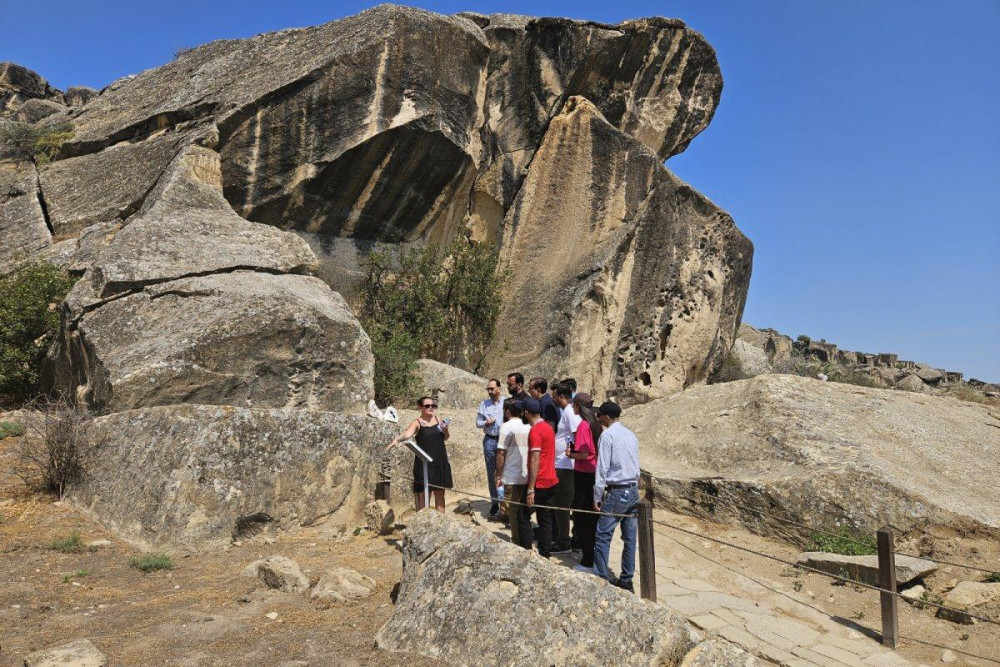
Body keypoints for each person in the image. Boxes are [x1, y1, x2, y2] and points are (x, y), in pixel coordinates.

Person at [592, 401, 640, 593]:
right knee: (630, 538)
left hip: (616, 490)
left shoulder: (607, 436)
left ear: (605, 417)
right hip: (632, 488)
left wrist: (597, 494)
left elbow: (602, 467)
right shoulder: (630, 434)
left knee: (603, 536)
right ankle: (626, 580)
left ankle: (601, 577)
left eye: (600, 415)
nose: (598, 418)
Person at [385, 396, 453, 512]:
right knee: (425, 494)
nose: (431, 408)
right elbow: (407, 434)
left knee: (440, 494)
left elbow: (445, 438)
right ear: (420, 407)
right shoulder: (417, 422)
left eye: (433, 406)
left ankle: (441, 523)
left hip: (439, 461)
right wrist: (396, 440)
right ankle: (423, 523)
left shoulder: (438, 419)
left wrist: (446, 430)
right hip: (424, 463)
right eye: (427, 406)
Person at [565, 393, 601, 572]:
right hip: (594, 474)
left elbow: (585, 454)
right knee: (591, 518)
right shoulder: (596, 425)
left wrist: (570, 454)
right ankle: (593, 557)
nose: (572, 408)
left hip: (583, 474)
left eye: (574, 405)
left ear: (579, 406)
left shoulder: (583, 426)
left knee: (581, 517)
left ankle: (587, 560)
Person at [523, 397, 558, 557]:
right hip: (551, 479)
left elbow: (535, 458)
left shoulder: (535, 431)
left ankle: (525, 549)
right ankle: (545, 551)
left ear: (527, 413)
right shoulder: (548, 427)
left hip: (540, 481)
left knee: (522, 515)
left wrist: (531, 488)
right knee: (545, 517)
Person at [494, 399, 532, 548]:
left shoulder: (506, 427)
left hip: (511, 474)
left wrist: (498, 474)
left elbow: (500, 453)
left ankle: (517, 541)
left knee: (512, 510)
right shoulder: (528, 426)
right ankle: (526, 541)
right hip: (527, 473)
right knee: (523, 511)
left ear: (508, 412)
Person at [550, 383, 580, 554]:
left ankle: (564, 542)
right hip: (562, 463)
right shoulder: (567, 412)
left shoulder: (569, 412)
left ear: (561, 397)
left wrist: (571, 450)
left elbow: (577, 433)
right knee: (559, 502)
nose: (552, 398)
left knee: (562, 503)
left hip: (566, 465)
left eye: (554, 396)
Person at [476, 378, 506, 519]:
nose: (489, 391)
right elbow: (478, 422)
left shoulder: (506, 402)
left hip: (504, 440)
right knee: (491, 471)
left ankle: (505, 503)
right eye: (488, 389)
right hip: (490, 440)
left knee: (505, 471)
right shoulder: (484, 404)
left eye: (492, 388)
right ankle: (495, 502)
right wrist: (485, 423)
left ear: (499, 389)